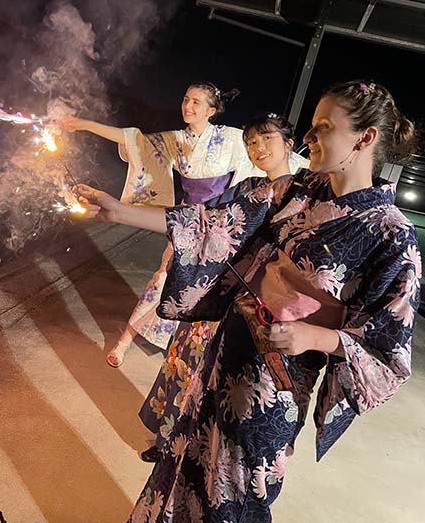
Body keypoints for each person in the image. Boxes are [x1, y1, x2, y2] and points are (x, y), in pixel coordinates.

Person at [75, 80, 420, 523]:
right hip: (225, 354)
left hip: (271, 387)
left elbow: (387, 349)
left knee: (234, 497)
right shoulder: (298, 191)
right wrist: (120, 211)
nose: (310, 138)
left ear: (365, 137)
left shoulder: (392, 237)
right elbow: (215, 223)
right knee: (184, 468)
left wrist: (314, 335)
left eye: (323, 127)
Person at [60, 83, 303, 367]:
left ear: (211, 111)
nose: (188, 106)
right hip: (191, 220)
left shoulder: (234, 139)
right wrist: (84, 124)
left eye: (197, 102)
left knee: (211, 292)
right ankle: (125, 340)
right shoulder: (177, 140)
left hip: (223, 222)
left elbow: (285, 162)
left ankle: (187, 351)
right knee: (165, 278)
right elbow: (136, 142)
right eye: (186, 99)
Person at [138, 113, 299, 463]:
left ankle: (192, 446)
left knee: (213, 382)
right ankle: (165, 439)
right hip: (214, 288)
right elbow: (202, 219)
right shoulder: (246, 188)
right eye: (252, 142)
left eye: (267, 139)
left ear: (288, 143)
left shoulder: (300, 196)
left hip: (252, 303)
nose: (259, 148)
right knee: (183, 364)